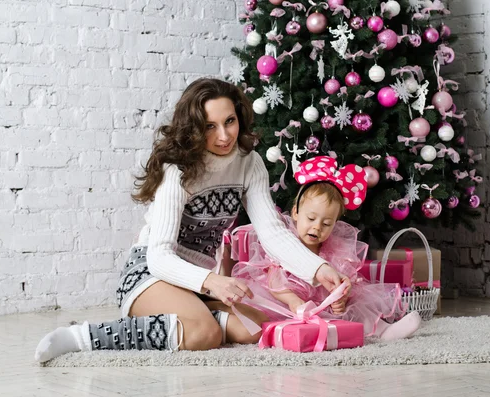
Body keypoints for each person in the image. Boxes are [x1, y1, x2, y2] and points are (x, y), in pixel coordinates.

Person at [34, 78, 347, 363]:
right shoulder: (178, 171)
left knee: (258, 328)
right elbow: (159, 257)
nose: (224, 136)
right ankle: (80, 336)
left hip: (196, 282)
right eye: (210, 127)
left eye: (230, 121)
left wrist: (318, 269)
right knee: (203, 335)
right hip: (150, 273)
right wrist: (211, 281)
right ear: (195, 128)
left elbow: (273, 233)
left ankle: (189, 315)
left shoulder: (249, 164)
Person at [232, 156, 422, 340]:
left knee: (356, 306)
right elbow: (273, 283)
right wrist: (292, 300)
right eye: (311, 219)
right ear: (297, 213)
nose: (317, 227)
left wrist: (341, 297)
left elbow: (341, 281)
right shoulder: (284, 243)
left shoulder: (335, 249)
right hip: (287, 303)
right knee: (268, 317)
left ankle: (383, 331)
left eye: (326, 223)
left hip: (323, 305)